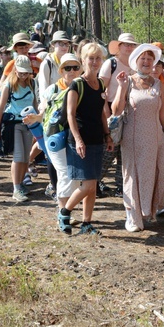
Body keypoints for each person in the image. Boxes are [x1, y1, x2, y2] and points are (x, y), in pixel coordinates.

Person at [112, 44, 164, 232]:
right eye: (143, 58)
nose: (146, 61)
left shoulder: (158, 84)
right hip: (133, 137)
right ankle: (132, 216)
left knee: (151, 174)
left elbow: (163, 115)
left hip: (154, 138)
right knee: (132, 175)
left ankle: (147, 211)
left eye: (150, 59)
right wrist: (121, 87)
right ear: (136, 61)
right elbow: (116, 110)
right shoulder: (128, 81)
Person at [62, 42, 114, 235]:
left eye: (98, 58)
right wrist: (78, 140)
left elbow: (101, 113)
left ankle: (86, 223)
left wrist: (107, 135)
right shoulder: (77, 85)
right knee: (89, 184)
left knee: (92, 186)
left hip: (96, 139)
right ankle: (65, 211)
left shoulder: (100, 83)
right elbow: (70, 115)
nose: (94, 62)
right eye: (90, 58)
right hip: (79, 140)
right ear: (83, 60)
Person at [22, 53, 83, 211]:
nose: (72, 71)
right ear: (61, 71)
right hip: (56, 136)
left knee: (74, 174)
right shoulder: (53, 89)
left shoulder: (83, 87)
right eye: (67, 68)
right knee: (64, 172)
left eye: (75, 67)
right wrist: (36, 117)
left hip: (77, 136)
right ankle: (63, 210)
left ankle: (67, 208)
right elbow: (44, 111)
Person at [0, 55, 36, 202]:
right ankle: (16, 188)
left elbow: (35, 105)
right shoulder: (9, 85)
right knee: (18, 156)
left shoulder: (32, 84)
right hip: (13, 123)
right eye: (21, 72)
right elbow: (1, 108)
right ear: (15, 70)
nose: (23, 76)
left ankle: (21, 183)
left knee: (25, 156)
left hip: (29, 124)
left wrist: (38, 123)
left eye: (26, 73)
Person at [99, 32, 138, 195]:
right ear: (119, 47)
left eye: (131, 45)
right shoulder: (111, 63)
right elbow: (100, 89)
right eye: (126, 44)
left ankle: (121, 185)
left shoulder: (136, 64)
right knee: (109, 149)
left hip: (131, 110)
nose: (129, 47)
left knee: (126, 150)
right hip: (111, 109)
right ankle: (95, 181)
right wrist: (105, 111)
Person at [37, 31, 72, 105]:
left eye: (67, 44)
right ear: (53, 45)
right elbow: (43, 91)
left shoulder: (71, 62)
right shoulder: (47, 64)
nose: (64, 47)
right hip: (53, 106)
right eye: (61, 44)